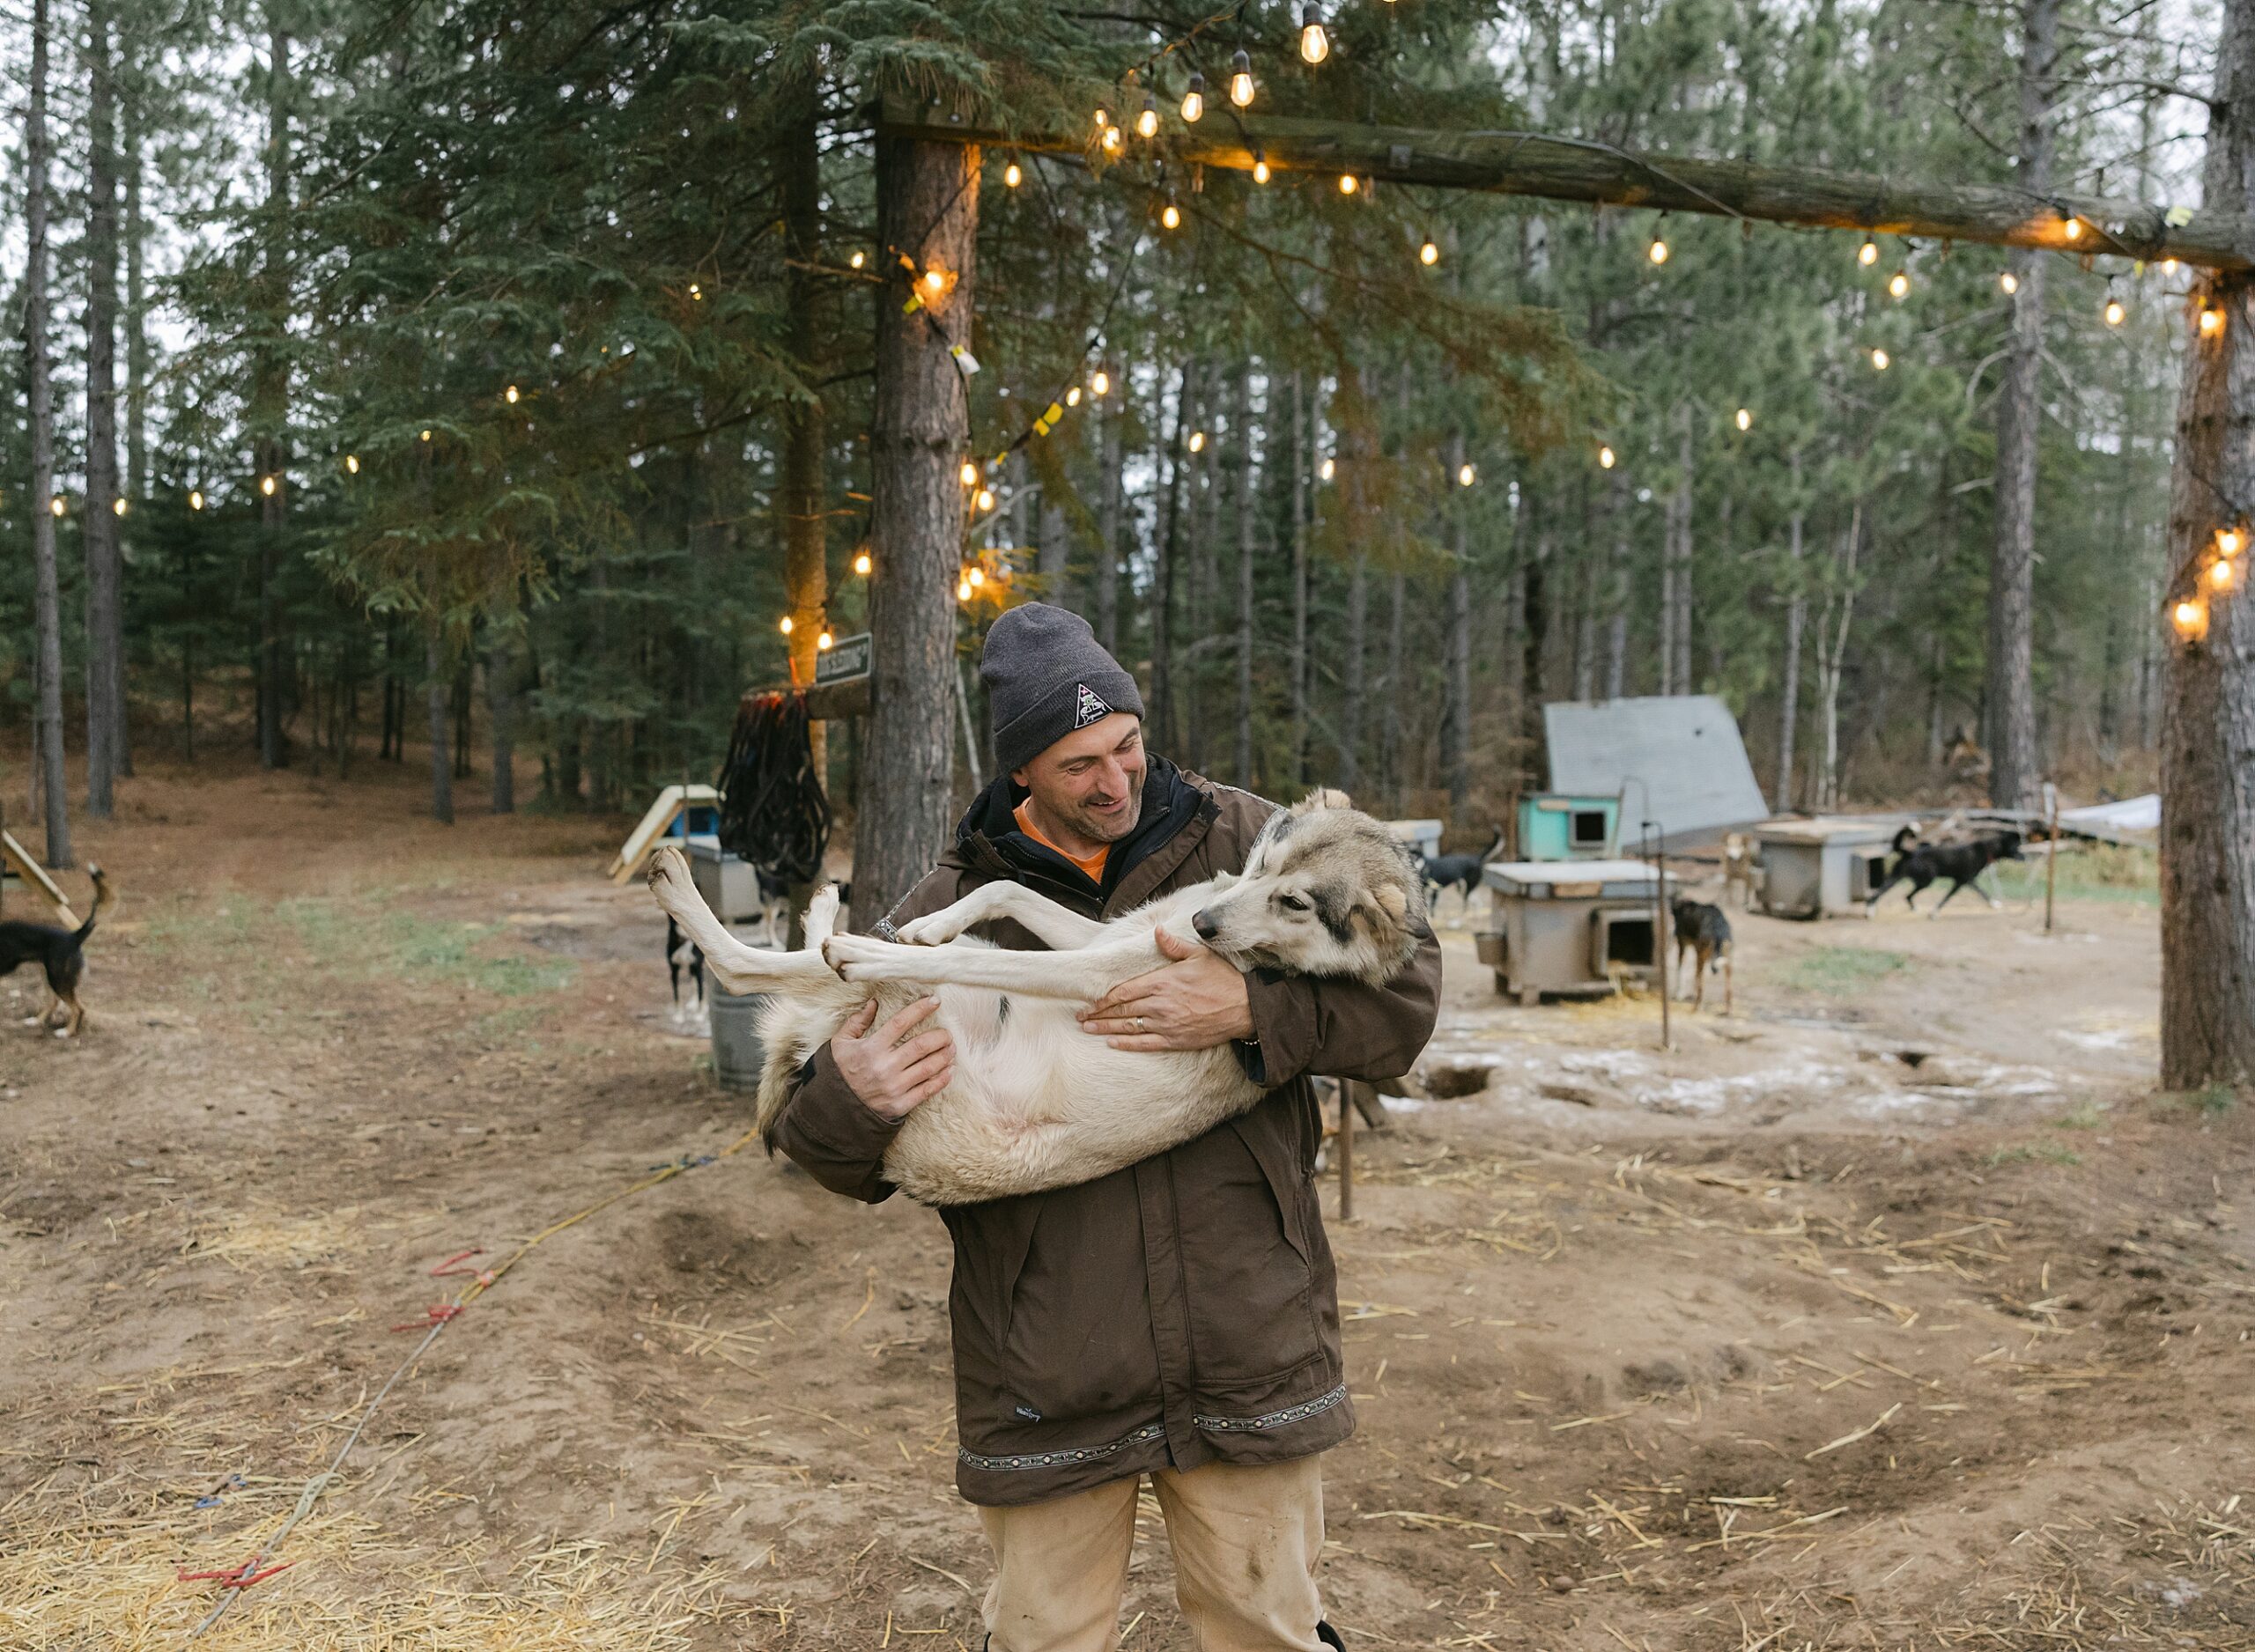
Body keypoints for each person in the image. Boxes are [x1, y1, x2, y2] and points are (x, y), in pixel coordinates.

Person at [771, 602, 1441, 1652]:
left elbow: (1408, 999)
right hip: (1049, 1363)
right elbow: (809, 1136)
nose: (1116, 779)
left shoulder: (1249, 842)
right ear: (1021, 771)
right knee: (1043, 1638)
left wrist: (1254, 1011)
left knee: (1266, 1626)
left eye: (1127, 744)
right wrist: (852, 1094)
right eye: (1080, 762)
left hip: (1243, 1336)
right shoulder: (952, 909)